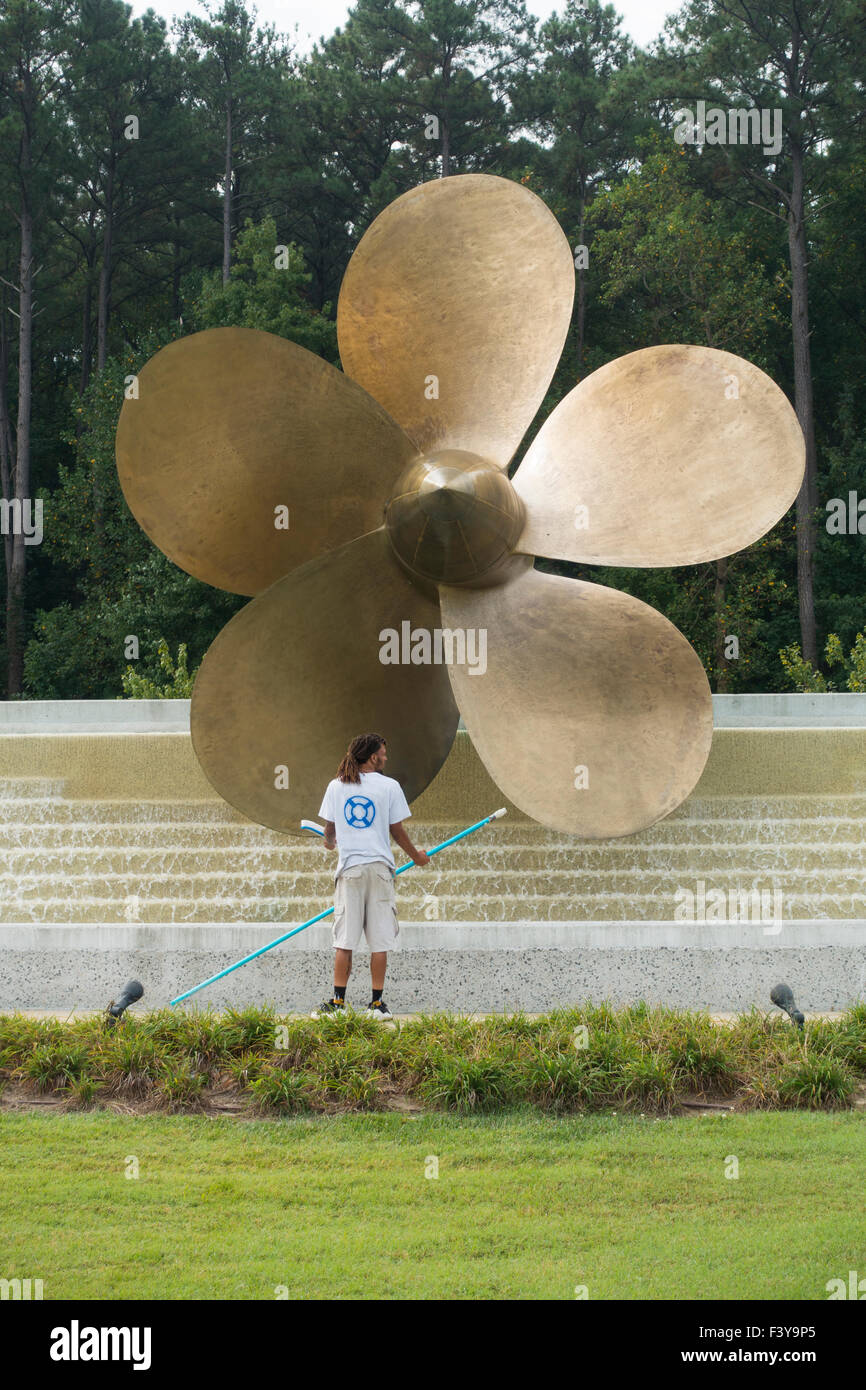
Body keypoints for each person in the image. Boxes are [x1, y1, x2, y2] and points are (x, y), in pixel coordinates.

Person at [311, 733, 429, 1020]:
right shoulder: (389, 787)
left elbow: (330, 831)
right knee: (379, 940)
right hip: (378, 870)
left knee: (345, 939)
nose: (386, 758)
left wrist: (329, 843)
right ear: (372, 756)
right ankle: (376, 1005)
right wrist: (417, 857)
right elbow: (396, 831)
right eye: (383, 753)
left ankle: (337, 1004)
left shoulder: (336, 786)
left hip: (350, 870)